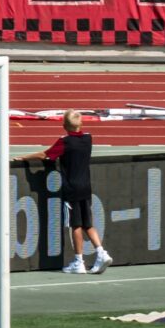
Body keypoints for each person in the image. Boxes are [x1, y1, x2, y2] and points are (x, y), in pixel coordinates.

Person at [17, 110, 114, 274]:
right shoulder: (88, 138)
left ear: (64, 126)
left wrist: (24, 158)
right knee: (87, 223)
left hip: (71, 189)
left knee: (75, 225)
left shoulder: (65, 142)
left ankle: (79, 261)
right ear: (81, 124)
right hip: (85, 187)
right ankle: (101, 252)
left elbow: (45, 155)